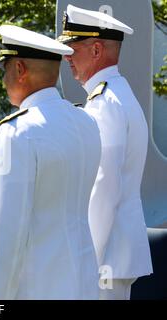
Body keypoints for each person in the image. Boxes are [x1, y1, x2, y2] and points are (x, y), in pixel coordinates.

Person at [0, 25, 101, 299]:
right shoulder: (87, 122)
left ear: (20, 69)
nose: (3, 81)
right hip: (85, 281)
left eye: (5, 70)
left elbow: (6, 236)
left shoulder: (16, 132)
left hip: (37, 288)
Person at [58, 4, 153, 300]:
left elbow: (104, 185)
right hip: (115, 252)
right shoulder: (115, 94)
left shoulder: (105, 102)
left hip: (105, 256)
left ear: (97, 50)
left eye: (73, 48)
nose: (66, 57)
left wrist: (89, 256)